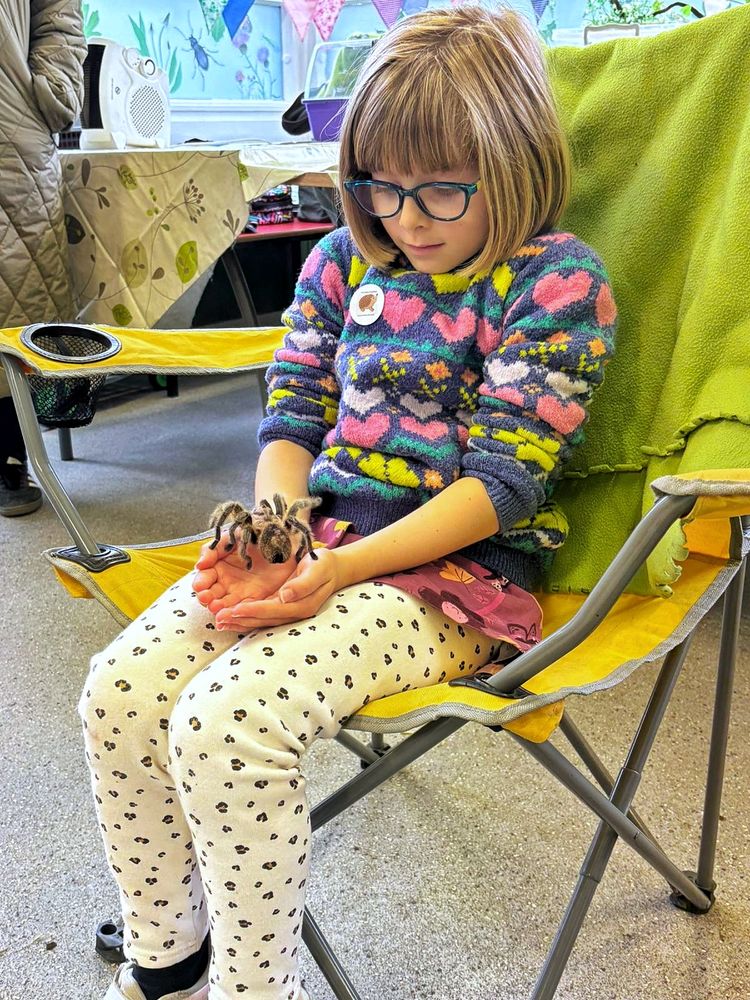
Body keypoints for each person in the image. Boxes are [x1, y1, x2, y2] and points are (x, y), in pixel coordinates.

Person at [80, 7, 617, 1000]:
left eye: (443, 189)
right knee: (118, 692)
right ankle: (167, 963)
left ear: (518, 163)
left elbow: (502, 485)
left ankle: (255, 990)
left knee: (226, 721)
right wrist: (279, 536)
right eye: (381, 183)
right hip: (321, 542)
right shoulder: (340, 262)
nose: (407, 216)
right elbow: (290, 415)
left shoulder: (553, 283)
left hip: (453, 580)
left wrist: (334, 570)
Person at [0, 0, 86, 516]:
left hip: (10, 127)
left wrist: (48, 88)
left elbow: (60, 18)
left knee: (13, 298)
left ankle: (7, 456)